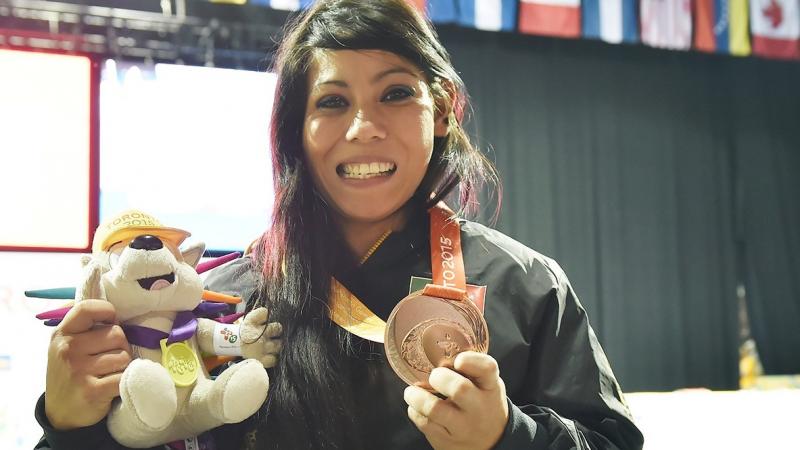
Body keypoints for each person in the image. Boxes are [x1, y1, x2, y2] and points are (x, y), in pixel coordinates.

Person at [34, 0, 644, 449]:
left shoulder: (525, 285)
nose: (363, 128)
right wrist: (68, 423)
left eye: (395, 94)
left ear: (441, 111)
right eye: (331, 102)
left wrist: (512, 436)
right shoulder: (230, 300)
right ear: (296, 132)